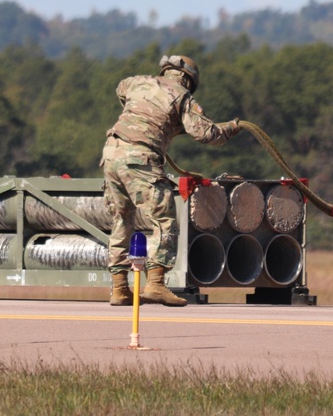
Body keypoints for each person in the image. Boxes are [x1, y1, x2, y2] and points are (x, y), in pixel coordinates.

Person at [102, 55, 241, 307]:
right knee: (164, 219)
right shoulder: (182, 96)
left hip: (111, 153)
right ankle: (155, 284)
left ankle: (120, 288)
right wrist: (231, 127)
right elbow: (205, 133)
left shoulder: (137, 82)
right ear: (188, 79)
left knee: (122, 218)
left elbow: (121, 90)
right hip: (140, 157)